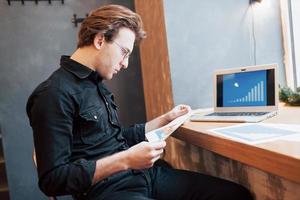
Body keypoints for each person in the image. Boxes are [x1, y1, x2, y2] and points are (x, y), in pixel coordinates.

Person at [26, 4, 253, 200]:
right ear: (99, 40)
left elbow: (114, 141)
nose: (125, 64)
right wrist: (126, 160)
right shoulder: (53, 94)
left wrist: (166, 119)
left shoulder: (95, 84)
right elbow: (53, 180)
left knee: (234, 195)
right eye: (124, 53)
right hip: (108, 192)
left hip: (143, 176)